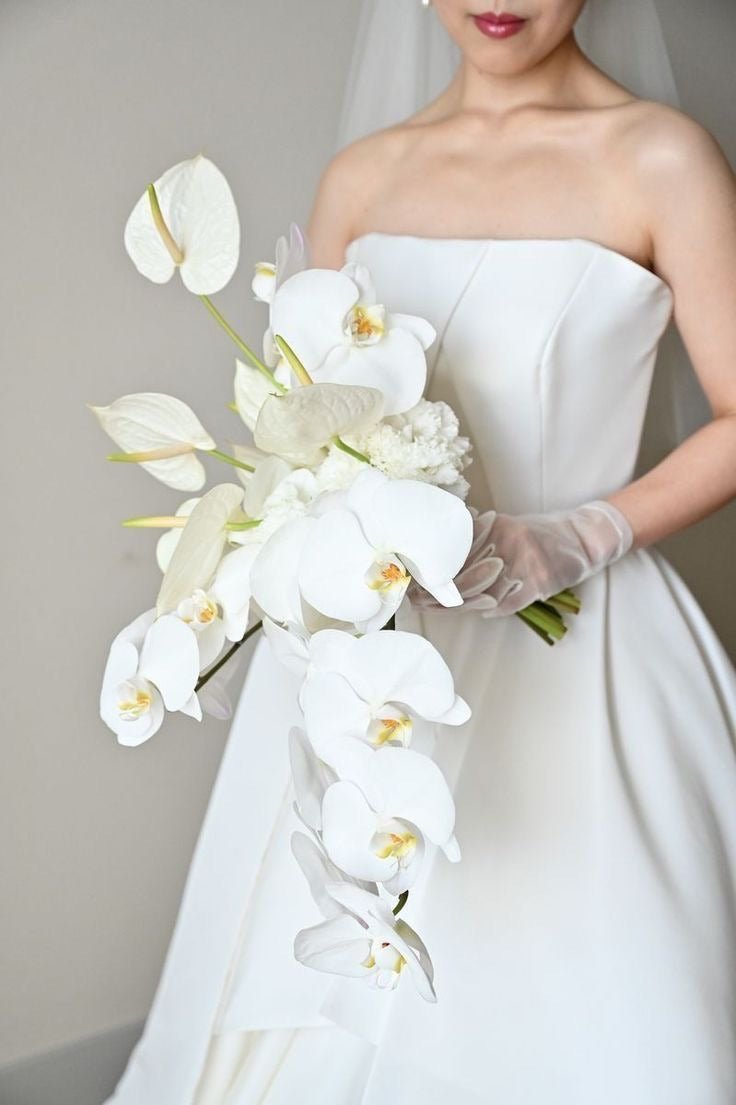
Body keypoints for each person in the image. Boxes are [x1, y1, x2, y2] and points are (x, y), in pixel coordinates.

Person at [105, 2, 736, 1102]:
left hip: (582, 648)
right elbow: (307, 421)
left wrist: (579, 534)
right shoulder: (363, 176)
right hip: (375, 656)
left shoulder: (658, 156)